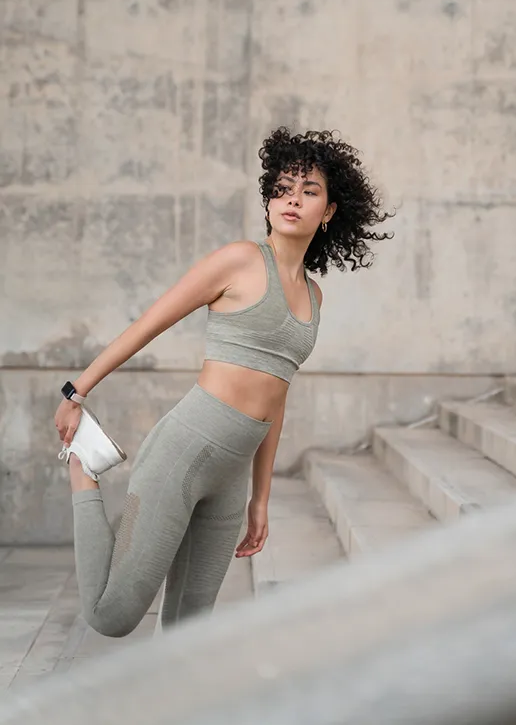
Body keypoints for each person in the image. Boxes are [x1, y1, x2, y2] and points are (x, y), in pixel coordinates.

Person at [53, 127, 394, 637]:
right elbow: (149, 323)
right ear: (268, 202)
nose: (293, 199)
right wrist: (76, 392)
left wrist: (261, 496)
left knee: (190, 628)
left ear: (329, 212)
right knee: (112, 616)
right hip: (184, 450)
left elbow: (276, 398)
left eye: (309, 190)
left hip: (233, 473)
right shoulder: (239, 260)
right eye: (282, 188)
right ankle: (83, 469)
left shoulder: (314, 297)